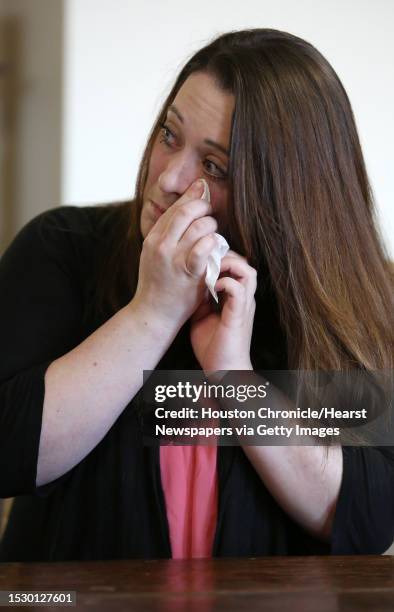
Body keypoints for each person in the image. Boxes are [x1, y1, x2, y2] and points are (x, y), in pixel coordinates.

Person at [0, 28, 393, 561]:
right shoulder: (64, 248)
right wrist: (153, 313)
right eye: (169, 135)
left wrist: (235, 379)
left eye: (213, 167)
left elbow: (368, 519)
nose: (168, 178)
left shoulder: (342, 302)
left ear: (287, 196)